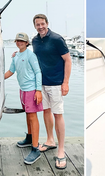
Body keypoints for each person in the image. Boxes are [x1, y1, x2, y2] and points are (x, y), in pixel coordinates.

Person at [32, 14, 72, 169]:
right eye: (37, 24)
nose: (40, 26)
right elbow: (33, 57)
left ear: (47, 24)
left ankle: (61, 151)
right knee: (46, 111)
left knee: (58, 114)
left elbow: (68, 60)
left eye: (42, 24)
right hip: (41, 83)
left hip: (56, 83)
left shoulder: (57, 39)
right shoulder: (35, 40)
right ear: (34, 26)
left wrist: (65, 82)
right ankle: (50, 140)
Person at [4, 32, 43, 165]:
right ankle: (29, 138)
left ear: (27, 43)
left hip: (32, 90)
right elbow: (11, 71)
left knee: (33, 117)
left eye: (22, 41)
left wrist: (38, 90)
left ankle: (35, 148)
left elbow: (38, 72)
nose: (19, 43)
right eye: (17, 41)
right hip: (22, 90)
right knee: (28, 115)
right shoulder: (15, 56)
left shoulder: (31, 55)